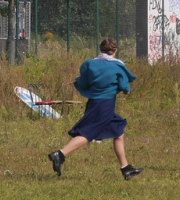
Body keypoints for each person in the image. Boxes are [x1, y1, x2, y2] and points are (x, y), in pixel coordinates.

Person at [47, 38, 144, 181]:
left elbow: (83, 82)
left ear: (100, 49)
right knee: (89, 132)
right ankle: (60, 154)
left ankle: (126, 168)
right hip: (106, 104)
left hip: (94, 102)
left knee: (118, 131)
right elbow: (125, 85)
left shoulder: (89, 64)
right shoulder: (118, 66)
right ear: (115, 50)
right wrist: (126, 90)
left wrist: (77, 82)